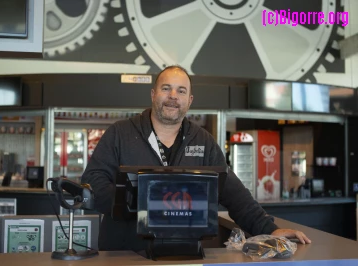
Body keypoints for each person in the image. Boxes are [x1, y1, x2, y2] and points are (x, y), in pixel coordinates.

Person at [81, 65, 311, 251]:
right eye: (166, 89)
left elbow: (233, 192)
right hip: (123, 253)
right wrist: (138, 201)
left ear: (189, 100)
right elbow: (92, 181)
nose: (173, 96)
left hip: (183, 252)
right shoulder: (120, 133)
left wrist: (269, 229)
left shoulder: (203, 141)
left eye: (181, 91)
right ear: (153, 94)